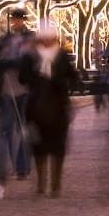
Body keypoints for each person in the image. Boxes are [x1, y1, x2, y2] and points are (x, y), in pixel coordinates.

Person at [19, 21, 78, 197]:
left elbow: (72, 76)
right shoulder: (30, 56)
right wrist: (36, 78)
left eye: (50, 39)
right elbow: (23, 77)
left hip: (58, 99)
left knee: (58, 144)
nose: (47, 42)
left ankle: (56, 183)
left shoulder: (61, 55)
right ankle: (41, 182)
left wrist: (62, 82)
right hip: (37, 97)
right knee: (38, 144)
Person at [0, 8, 32, 201]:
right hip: (8, 91)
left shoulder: (30, 39)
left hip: (24, 90)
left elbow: (32, 61)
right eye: (13, 19)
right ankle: (7, 166)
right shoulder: (4, 41)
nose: (15, 22)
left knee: (24, 130)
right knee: (5, 131)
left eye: (18, 19)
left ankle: (22, 166)